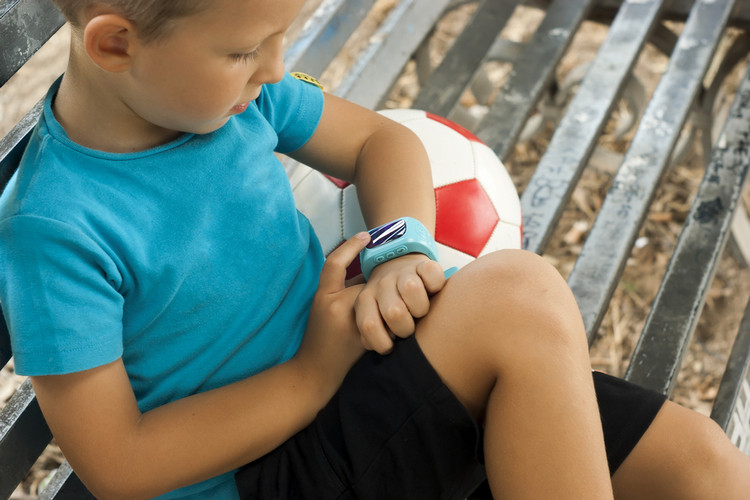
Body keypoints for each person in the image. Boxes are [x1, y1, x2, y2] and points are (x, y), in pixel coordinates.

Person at [1, 0, 748, 498]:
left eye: (280, 39)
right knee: (516, 299)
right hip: (265, 471)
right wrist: (311, 376)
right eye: (244, 49)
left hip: (362, 390)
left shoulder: (232, 99)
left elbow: (380, 141)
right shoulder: (56, 227)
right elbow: (119, 463)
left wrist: (399, 248)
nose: (273, 67)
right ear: (114, 43)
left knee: (703, 468)